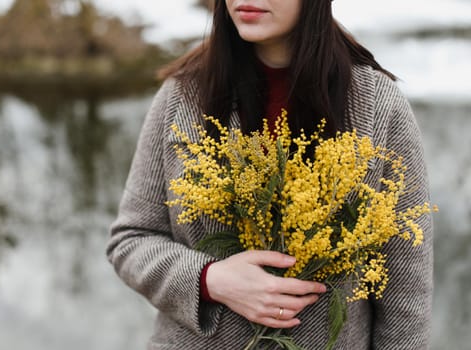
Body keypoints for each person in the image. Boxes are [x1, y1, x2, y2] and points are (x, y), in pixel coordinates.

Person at [106, 0, 434, 349]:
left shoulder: (377, 105)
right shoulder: (183, 96)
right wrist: (210, 279)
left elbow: (406, 295)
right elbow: (131, 239)